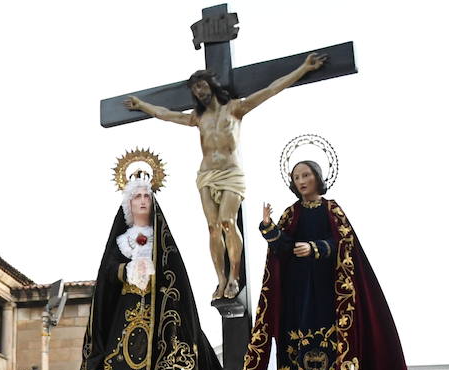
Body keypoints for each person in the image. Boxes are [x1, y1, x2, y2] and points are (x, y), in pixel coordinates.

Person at [124, 54, 326, 300]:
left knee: (228, 222)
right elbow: (165, 114)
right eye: (195, 90)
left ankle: (234, 276)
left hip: (231, 173)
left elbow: (272, 89)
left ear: (211, 85)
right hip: (206, 174)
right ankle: (220, 278)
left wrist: (304, 68)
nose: (199, 92)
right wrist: (142, 105)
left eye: (202, 86)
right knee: (212, 227)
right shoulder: (198, 118)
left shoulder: (236, 108)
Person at [239, 161, 414, 370]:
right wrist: (268, 228)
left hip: (328, 293)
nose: (301, 181)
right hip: (297, 294)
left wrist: (315, 248)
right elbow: (282, 249)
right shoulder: (292, 213)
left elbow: (343, 245)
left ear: (318, 178)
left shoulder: (332, 210)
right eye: (296, 177)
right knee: (296, 345)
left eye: (306, 175)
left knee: (329, 345)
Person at [70, 168, 222, 370]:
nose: (142, 201)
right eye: (136, 196)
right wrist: (124, 270)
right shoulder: (121, 242)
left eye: (146, 196)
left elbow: (176, 278)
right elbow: (106, 274)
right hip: (126, 312)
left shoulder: (161, 240)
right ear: (128, 203)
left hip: (161, 315)